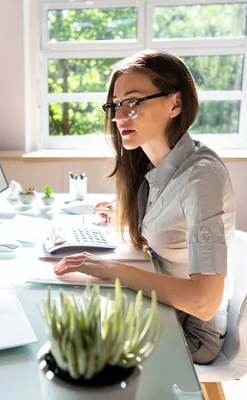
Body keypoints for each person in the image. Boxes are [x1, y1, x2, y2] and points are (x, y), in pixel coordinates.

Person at [53, 50, 236, 365]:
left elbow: (204, 302)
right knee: (64, 308)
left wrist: (113, 271)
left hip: (191, 330)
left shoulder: (201, 177)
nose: (120, 116)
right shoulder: (156, 165)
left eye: (133, 102)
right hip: (162, 306)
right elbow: (170, 216)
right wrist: (118, 210)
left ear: (175, 103)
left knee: (71, 344)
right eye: (116, 105)